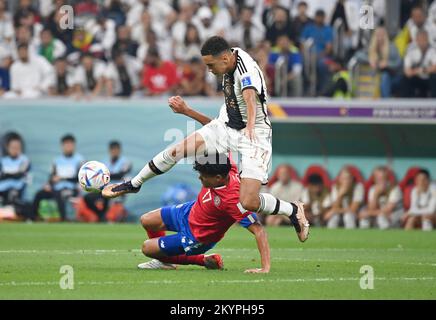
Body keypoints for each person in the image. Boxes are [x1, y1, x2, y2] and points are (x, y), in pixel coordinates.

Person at [103, 36, 309, 243]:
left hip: (254, 133)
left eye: (211, 65)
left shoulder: (246, 70)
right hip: (226, 126)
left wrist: (250, 126)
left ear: (226, 59)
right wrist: (187, 111)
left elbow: (249, 96)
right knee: (177, 150)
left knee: (249, 202)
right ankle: (134, 183)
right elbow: (218, 120)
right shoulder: (229, 55)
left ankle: (292, 209)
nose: (209, 70)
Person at [138, 153, 271, 273]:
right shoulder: (226, 166)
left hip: (197, 235)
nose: (199, 178)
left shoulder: (234, 201)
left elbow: (259, 230)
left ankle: (202, 260)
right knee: (146, 220)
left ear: (218, 178)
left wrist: (265, 268)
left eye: (203, 176)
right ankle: (164, 260)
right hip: (188, 211)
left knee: (147, 248)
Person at [32, 134, 84, 221]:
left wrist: (63, 179)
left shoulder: (79, 160)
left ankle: (63, 219)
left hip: (71, 189)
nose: (68, 147)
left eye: (70, 144)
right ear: (62, 146)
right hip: (56, 188)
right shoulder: (56, 161)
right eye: (66, 144)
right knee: (39, 194)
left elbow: (80, 178)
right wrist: (49, 184)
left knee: (61, 194)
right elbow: (52, 176)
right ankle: (33, 217)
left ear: (74, 146)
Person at [82, 141, 132, 222]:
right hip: (104, 189)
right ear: (109, 151)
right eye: (112, 149)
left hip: (118, 188)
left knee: (110, 202)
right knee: (88, 197)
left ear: (119, 150)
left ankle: (110, 217)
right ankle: (100, 215)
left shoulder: (126, 162)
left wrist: (106, 174)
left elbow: (120, 174)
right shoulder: (105, 162)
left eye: (116, 149)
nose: (114, 151)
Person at [0, 132, 31, 219]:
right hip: (2, 187)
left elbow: (19, 175)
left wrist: (6, 175)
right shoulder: (3, 161)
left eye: (17, 147)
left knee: (13, 197)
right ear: (7, 147)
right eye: (13, 147)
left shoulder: (24, 160)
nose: (15, 149)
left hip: (17, 188)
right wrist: (8, 175)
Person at [401, 30, 436, 98]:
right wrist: (416, 71)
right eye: (420, 40)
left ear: (427, 39)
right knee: (405, 79)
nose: (422, 42)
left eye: (424, 39)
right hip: (417, 78)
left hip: (429, 78)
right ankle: (405, 103)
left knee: (434, 77)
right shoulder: (410, 49)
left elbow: (435, 67)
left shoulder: (433, 49)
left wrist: (422, 70)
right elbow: (407, 71)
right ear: (416, 40)